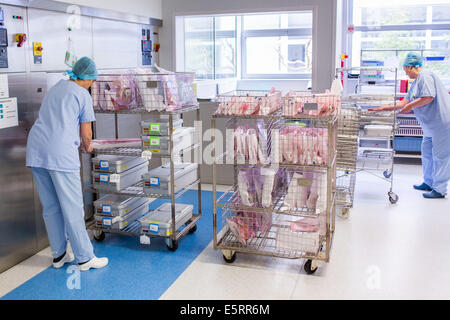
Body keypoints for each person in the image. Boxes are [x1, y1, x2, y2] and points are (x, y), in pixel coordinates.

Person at [26, 57, 109, 270]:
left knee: (51, 206)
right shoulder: (82, 94)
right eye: (93, 81)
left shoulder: (57, 87)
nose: (92, 84)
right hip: (60, 154)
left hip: (37, 151)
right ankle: (85, 257)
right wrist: (88, 146)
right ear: (88, 79)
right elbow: (86, 133)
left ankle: (59, 254)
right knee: (72, 207)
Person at [369, 52, 450, 199]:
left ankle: (440, 189)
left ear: (412, 67)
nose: (406, 73)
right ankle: (429, 181)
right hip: (430, 126)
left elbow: (428, 97)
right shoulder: (416, 82)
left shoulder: (425, 75)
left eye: (406, 70)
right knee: (426, 152)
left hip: (442, 123)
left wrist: (411, 106)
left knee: (440, 156)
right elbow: (403, 102)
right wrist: (382, 108)